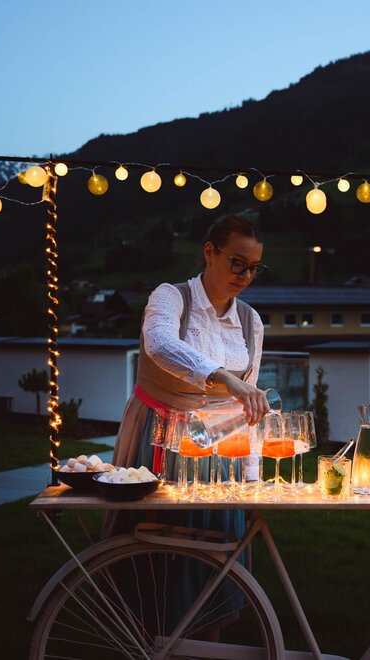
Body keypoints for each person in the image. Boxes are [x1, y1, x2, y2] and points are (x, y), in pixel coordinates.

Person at [101, 214, 269, 633]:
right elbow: (159, 345)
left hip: (221, 448)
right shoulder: (171, 297)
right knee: (156, 546)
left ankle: (206, 642)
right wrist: (224, 377)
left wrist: (252, 478)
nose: (245, 276)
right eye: (237, 263)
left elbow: (248, 407)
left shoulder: (251, 321)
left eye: (253, 268)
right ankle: (147, 641)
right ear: (209, 252)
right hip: (159, 437)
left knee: (213, 551)